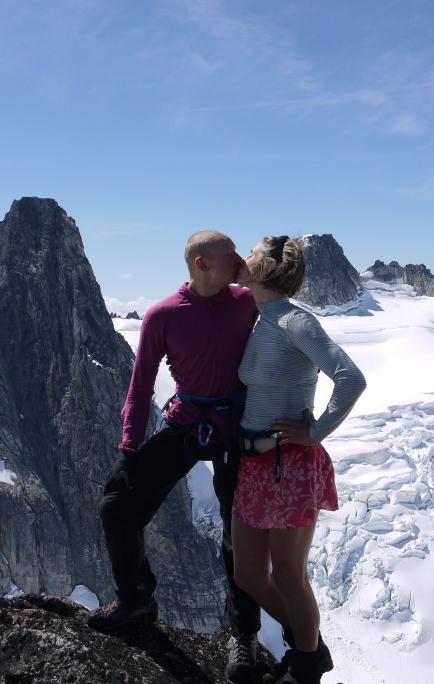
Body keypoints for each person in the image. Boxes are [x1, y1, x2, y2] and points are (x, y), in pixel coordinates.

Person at [86, 230, 264, 683]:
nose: (239, 260)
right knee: (117, 507)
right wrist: (129, 446)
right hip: (190, 423)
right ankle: (136, 599)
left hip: (235, 428)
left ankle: (243, 636)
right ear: (202, 264)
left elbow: (286, 312)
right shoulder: (163, 315)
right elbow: (141, 384)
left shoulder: (247, 300)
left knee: (235, 535)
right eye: (230, 255)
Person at [231, 236, 366, 684]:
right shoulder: (261, 316)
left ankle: (305, 667)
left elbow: (351, 378)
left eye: (250, 252)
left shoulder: (293, 321)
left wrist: (314, 433)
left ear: (265, 269)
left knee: (289, 573)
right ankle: (311, 645)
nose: (243, 257)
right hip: (254, 465)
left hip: (287, 465)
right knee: (250, 574)